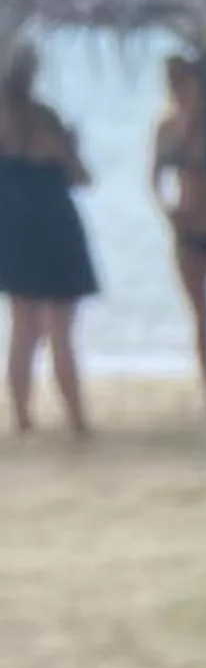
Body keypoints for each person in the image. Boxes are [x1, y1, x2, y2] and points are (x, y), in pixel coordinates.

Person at [0, 36, 96, 437]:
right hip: (56, 227)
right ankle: (74, 418)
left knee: (24, 329)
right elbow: (81, 177)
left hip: (16, 229)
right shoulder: (47, 119)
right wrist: (71, 148)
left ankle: (23, 418)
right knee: (59, 331)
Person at [152, 55, 206, 418]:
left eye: (186, 84)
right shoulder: (167, 128)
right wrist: (167, 211)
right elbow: (155, 178)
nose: (181, 92)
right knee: (201, 316)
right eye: (175, 85)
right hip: (188, 229)